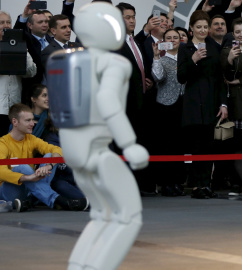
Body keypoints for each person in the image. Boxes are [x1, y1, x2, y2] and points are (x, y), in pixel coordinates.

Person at [47, 3, 149, 269]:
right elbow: (108, 101)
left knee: (102, 215)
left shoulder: (65, 58)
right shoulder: (114, 62)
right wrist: (129, 144)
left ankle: (78, 266)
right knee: (128, 215)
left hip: (74, 149)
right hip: (98, 149)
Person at [0, 103, 88, 212]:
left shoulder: (31, 139)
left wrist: (49, 166)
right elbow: (1, 172)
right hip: (9, 192)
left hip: (30, 190)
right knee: (22, 167)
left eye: (32, 120)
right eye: (28, 120)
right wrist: (28, 177)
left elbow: (57, 149)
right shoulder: (2, 143)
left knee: (49, 156)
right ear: (15, 122)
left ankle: (30, 201)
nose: (33, 123)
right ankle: (60, 202)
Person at [177, 10, 228, 199]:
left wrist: (224, 104)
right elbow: (181, 77)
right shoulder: (185, 49)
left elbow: (219, 79)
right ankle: (197, 186)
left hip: (211, 104)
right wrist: (194, 60)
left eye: (205, 27)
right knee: (196, 146)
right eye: (198, 27)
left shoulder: (214, 47)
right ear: (191, 29)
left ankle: (206, 184)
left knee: (209, 146)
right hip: (192, 105)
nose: (202, 30)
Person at [115, 2, 155, 196]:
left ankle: (139, 185)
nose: (132, 20)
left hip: (141, 104)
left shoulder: (136, 42)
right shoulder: (113, 44)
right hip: (124, 105)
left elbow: (141, 69)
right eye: (127, 17)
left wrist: (147, 81)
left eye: (133, 17)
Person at [220, 18, 242, 196]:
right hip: (237, 101)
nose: (241, 34)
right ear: (233, 34)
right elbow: (224, 76)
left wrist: (241, 80)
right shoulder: (228, 50)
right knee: (239, 144)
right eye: (238, 32)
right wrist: (229, 60)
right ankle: (241, 182)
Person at [151, 29, 186, 197]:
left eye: (176, 37)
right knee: (165, 145)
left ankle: (178, 182)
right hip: (165, 106)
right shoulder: (162, 59)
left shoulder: (186, 58)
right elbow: (157, 77)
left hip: (183, 105)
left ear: (181, 40)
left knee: (179, 145)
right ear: (164, 41)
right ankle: (165, 183)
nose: (173, 40)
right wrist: (156, 56)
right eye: (169, 38)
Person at [0, 10, 37, 136]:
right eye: (1, 22)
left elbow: (31, 72)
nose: (6, 25)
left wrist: (22, 51)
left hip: (14, 109)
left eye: (8, 22)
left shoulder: (18, 45)